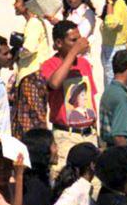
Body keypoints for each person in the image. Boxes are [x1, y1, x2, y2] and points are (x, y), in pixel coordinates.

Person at [41, 20, 97, 178]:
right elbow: (54, 83)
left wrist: (95, 129)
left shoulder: (84, 64)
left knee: (93, 183)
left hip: (88, 134)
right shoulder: (50, 65)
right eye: (73, 40)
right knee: (63, 179)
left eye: (79, 39)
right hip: (66, 135)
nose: (78, 43)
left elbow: (91, 99)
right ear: (59, 43)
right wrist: (73, 53)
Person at [11, 0, 51, 139]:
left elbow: (28, 48)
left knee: (31, 121)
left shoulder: (34, 22)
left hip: (31, 76)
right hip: (32, 76)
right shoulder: (35, 22)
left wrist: (16, 53)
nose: (14, 5)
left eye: (17, 1)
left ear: (27, 4)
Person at [99, 50, 127, 148]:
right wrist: (125, 155)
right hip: (123, 148)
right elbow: (119, 136)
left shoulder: (109, 91)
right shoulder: (120, 96)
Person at [99, 0, 127, 87]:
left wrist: (109, 0)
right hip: (110, 50)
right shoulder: (115, 5)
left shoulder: (119, 4)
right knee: (110, 87)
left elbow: (110, 24)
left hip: (114, 51)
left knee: (113, 88)